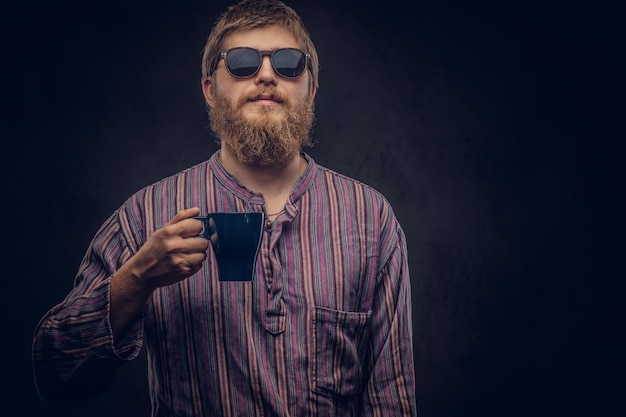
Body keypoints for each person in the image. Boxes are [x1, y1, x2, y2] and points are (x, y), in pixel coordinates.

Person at [32, 0, 417, 415]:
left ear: (311, 91)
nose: (267, 75)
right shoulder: (147, 214)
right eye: (242, 63)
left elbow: (391, 399)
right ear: (210, 89)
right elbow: (56, 373)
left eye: (289, 64)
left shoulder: (370, 218)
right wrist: (137, 278)